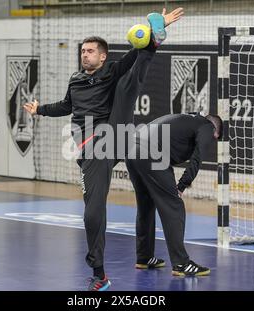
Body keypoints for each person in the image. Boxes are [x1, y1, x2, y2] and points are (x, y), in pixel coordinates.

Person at [23, 8, 184, 291]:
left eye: (90, 51)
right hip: (93, 149)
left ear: (102, 56)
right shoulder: (75, 79)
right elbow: (66, 106)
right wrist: (40, 110)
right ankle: (101, 274)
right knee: (92, 211)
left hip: (112, 131)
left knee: (127, 86)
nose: (85, 54)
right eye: (83, 51)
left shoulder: (111, 69)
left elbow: (132, 54)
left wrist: (148, 33)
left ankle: (155, 42)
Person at [125, 112, 222, 276]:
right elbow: (197, 160)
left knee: (146, 205)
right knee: (174, 206)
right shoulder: (207, 127)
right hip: (152, 154)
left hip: (132, 149)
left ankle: (144, 257)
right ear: (216, 132)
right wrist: (181, 186)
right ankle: (181, 263)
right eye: (215, 139)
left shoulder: (188, 119)